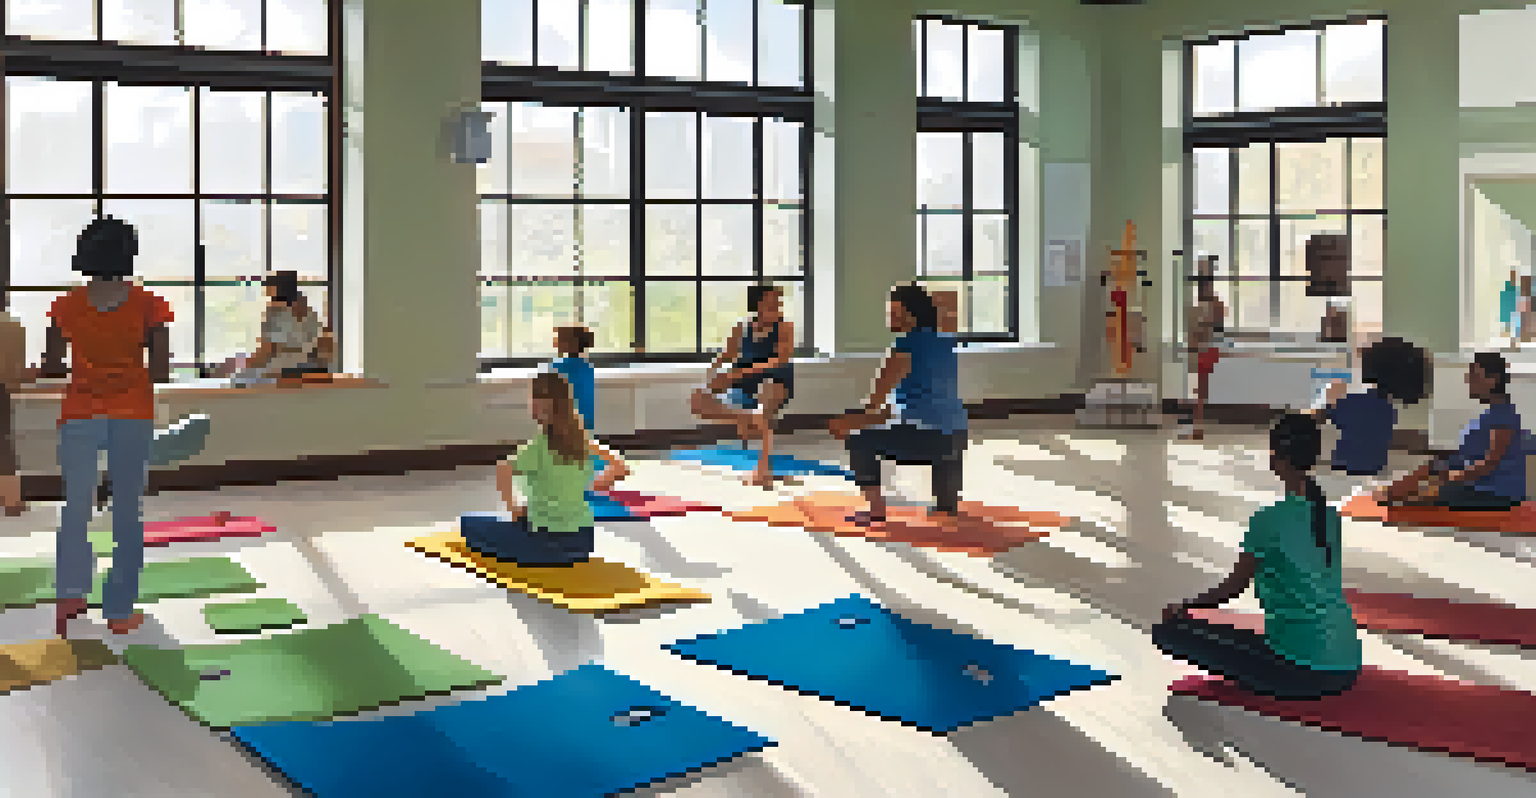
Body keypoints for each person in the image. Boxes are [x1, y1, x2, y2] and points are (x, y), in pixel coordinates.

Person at [1154, 413, 1362, 700]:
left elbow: (1233, 587)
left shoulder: (1269, 519)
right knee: (1246, 640)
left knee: (1168, 632)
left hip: (1302, 670)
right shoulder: (1329, 516)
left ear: (1274, 458)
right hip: (1347, 663)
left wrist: (1185, 606)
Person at [41, 216, 173, 636]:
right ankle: (119, 610)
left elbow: (51, 365)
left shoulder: (64, 306)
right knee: (127, 510)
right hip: (132, 413)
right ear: (128, 254)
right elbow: (161, 370)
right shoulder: (150, 305)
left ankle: (70, 596)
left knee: (76, 506)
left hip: (80, 413)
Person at [828, 283, 967, 526]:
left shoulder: (904, 346)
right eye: (889, 312)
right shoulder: (946, 342)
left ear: (911, 315)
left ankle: (876, 511)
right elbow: (913, 404)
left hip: (929, 439)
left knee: (858, 440)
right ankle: (946, 506)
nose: (889, 318)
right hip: (957, 437)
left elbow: (875, 404)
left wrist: (847, 423)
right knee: (945, 435)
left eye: (895, 313)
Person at [460, 371, 629, 566]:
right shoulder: (581, 441)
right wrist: (585, 487)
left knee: (469, 525)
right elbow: (620, 466)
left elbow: (503, 469)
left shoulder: (538, 447)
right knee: (521, 521)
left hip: (548, 544)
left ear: (537, 406)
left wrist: (513, 509)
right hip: (584, 541)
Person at [1376, 352, 1526, 510]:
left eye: (1474, 375)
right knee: (1431, 467)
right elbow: (1470, 455)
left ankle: (1396, 496)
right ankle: (1392, 492)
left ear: (1492, 380)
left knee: (1423, 496)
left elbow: (1489, 464)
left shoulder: (1503, 416)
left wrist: (1450, 477)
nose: (1468, 380)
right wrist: (1440, 466)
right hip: (1477, 485)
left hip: (1495, 493)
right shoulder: (1490, 414)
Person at [689, 284, 796, 488]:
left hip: (775, 380)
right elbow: (727, 355)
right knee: (698, 398)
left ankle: (763, 471)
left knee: (764, 404)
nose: (777, 306)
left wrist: (735, 374)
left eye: (779, 302)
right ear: (757, 305)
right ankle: (747, 418)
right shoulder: (742, 326)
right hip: (743, 383)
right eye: (771, 302)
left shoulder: (785, 327)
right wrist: (713, 374)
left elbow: (779, 360)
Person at [1306, 337, 1429, 477]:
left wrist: (1332, 399)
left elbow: (1318, 417)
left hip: (1346, 469)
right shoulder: (1388, 408)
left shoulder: (1354, 403)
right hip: (1375, 467)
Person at [224, 270, 331, 384]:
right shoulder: (311, 313)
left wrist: (245, 367)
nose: (266, 290)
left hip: (281, 369)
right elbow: (319, 345)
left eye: (269, 286)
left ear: (277, 288)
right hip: (307, 366)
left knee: (237, 380)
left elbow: (267, 351)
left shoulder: (275, 312)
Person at [1184, 257, 1225, 441]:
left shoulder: (1213, 304)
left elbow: (1212, 328)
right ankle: (1196, 427)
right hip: (1204, 348)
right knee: (1199, 392)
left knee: (1199, 392)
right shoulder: (1209, 304)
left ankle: (1197, 428)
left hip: (1206, 349)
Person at [0, 304, 28, 516]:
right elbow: (17, 364)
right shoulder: (12, 324)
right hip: (3, 388)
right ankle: (11, 500)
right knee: (4, 443)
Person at [550, 326, 596, 432]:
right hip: (587, 424)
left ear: (571, 343)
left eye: (559, 339)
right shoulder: (587, 366)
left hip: (566, 423)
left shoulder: (557, 367)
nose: (556, 342)